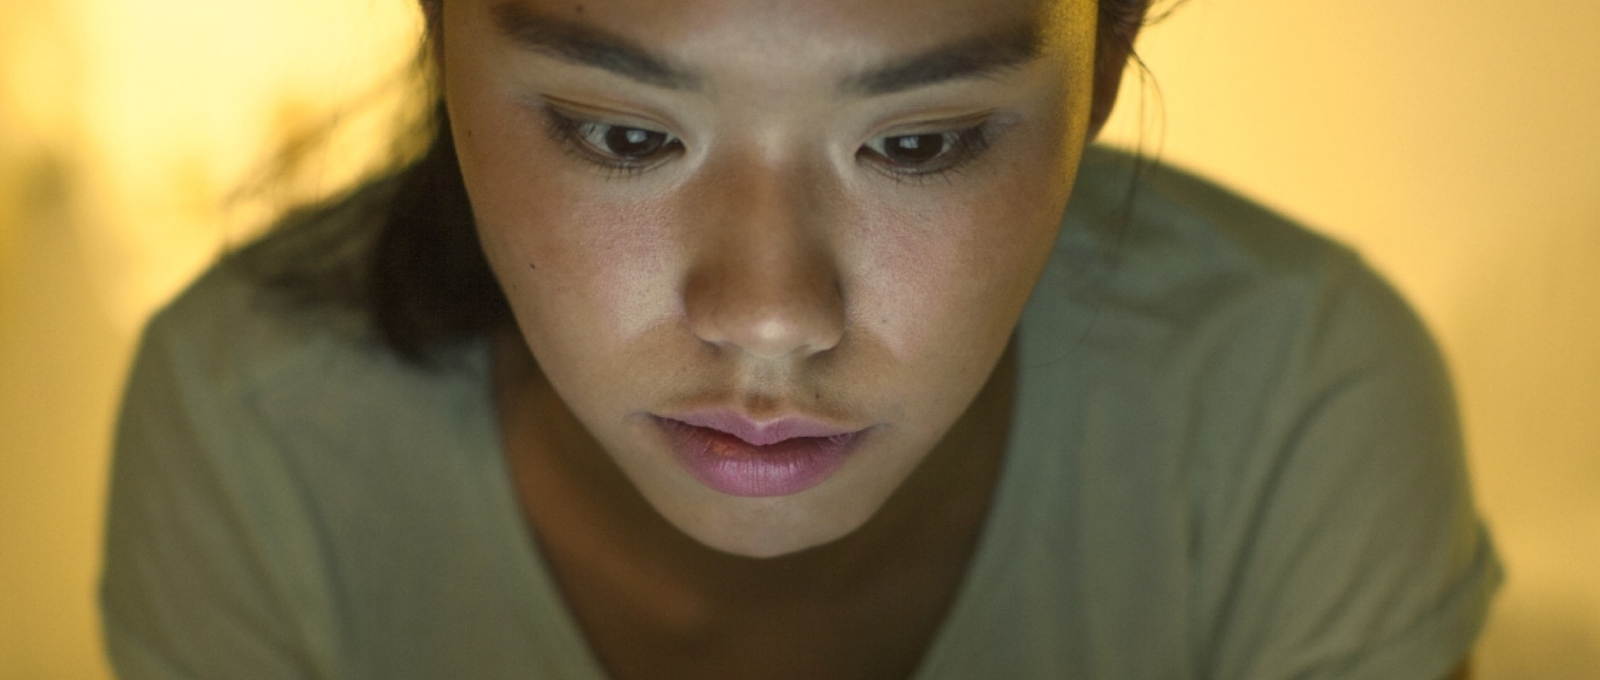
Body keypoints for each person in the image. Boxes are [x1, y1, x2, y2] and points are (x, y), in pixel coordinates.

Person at [99, 0, 1503, 678]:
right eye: (625, 132)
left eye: (922, 140)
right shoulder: (251, 434)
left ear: (1109, 62)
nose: (771, 310)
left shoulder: (1295, 411)